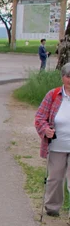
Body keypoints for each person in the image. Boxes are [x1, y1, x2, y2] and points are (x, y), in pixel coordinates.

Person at [35, 63, 70, 216]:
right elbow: (40, 117)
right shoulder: (53, 95)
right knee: (55, 178)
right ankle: (52, 207)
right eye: (68, 76)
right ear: (62, 77)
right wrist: (45, 130)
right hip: (57, 145)